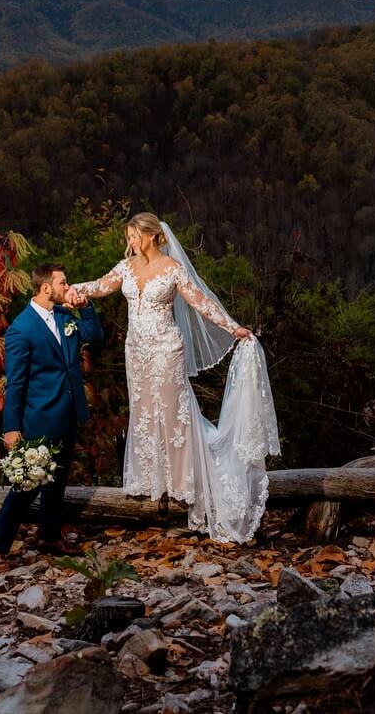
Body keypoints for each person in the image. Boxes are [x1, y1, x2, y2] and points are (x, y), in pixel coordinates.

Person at [74, 213, 280, 543]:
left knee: (174, 415)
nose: (130, 240)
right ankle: (155, 483)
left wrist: (232, 326)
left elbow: (200, 301)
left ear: (153, 236)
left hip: (167, 351)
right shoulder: (125, 268)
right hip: (137, 354)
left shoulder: (171, 269)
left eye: (134, 235)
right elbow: (100, 286)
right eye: (128, 235)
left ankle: (185, 485)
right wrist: (69, 291)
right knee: (144, 414)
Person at [0, 261, 102, 570]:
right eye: (64, 283)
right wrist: (11, 427)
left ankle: (49, 537)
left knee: (57, 481)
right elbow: (16, 382)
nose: (69, 287)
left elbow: (95, 333)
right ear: (46, 287)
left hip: (67, 411)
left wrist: (86, 305)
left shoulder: (65, 316)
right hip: (38, 417)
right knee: (27, 485)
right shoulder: (21, 329)